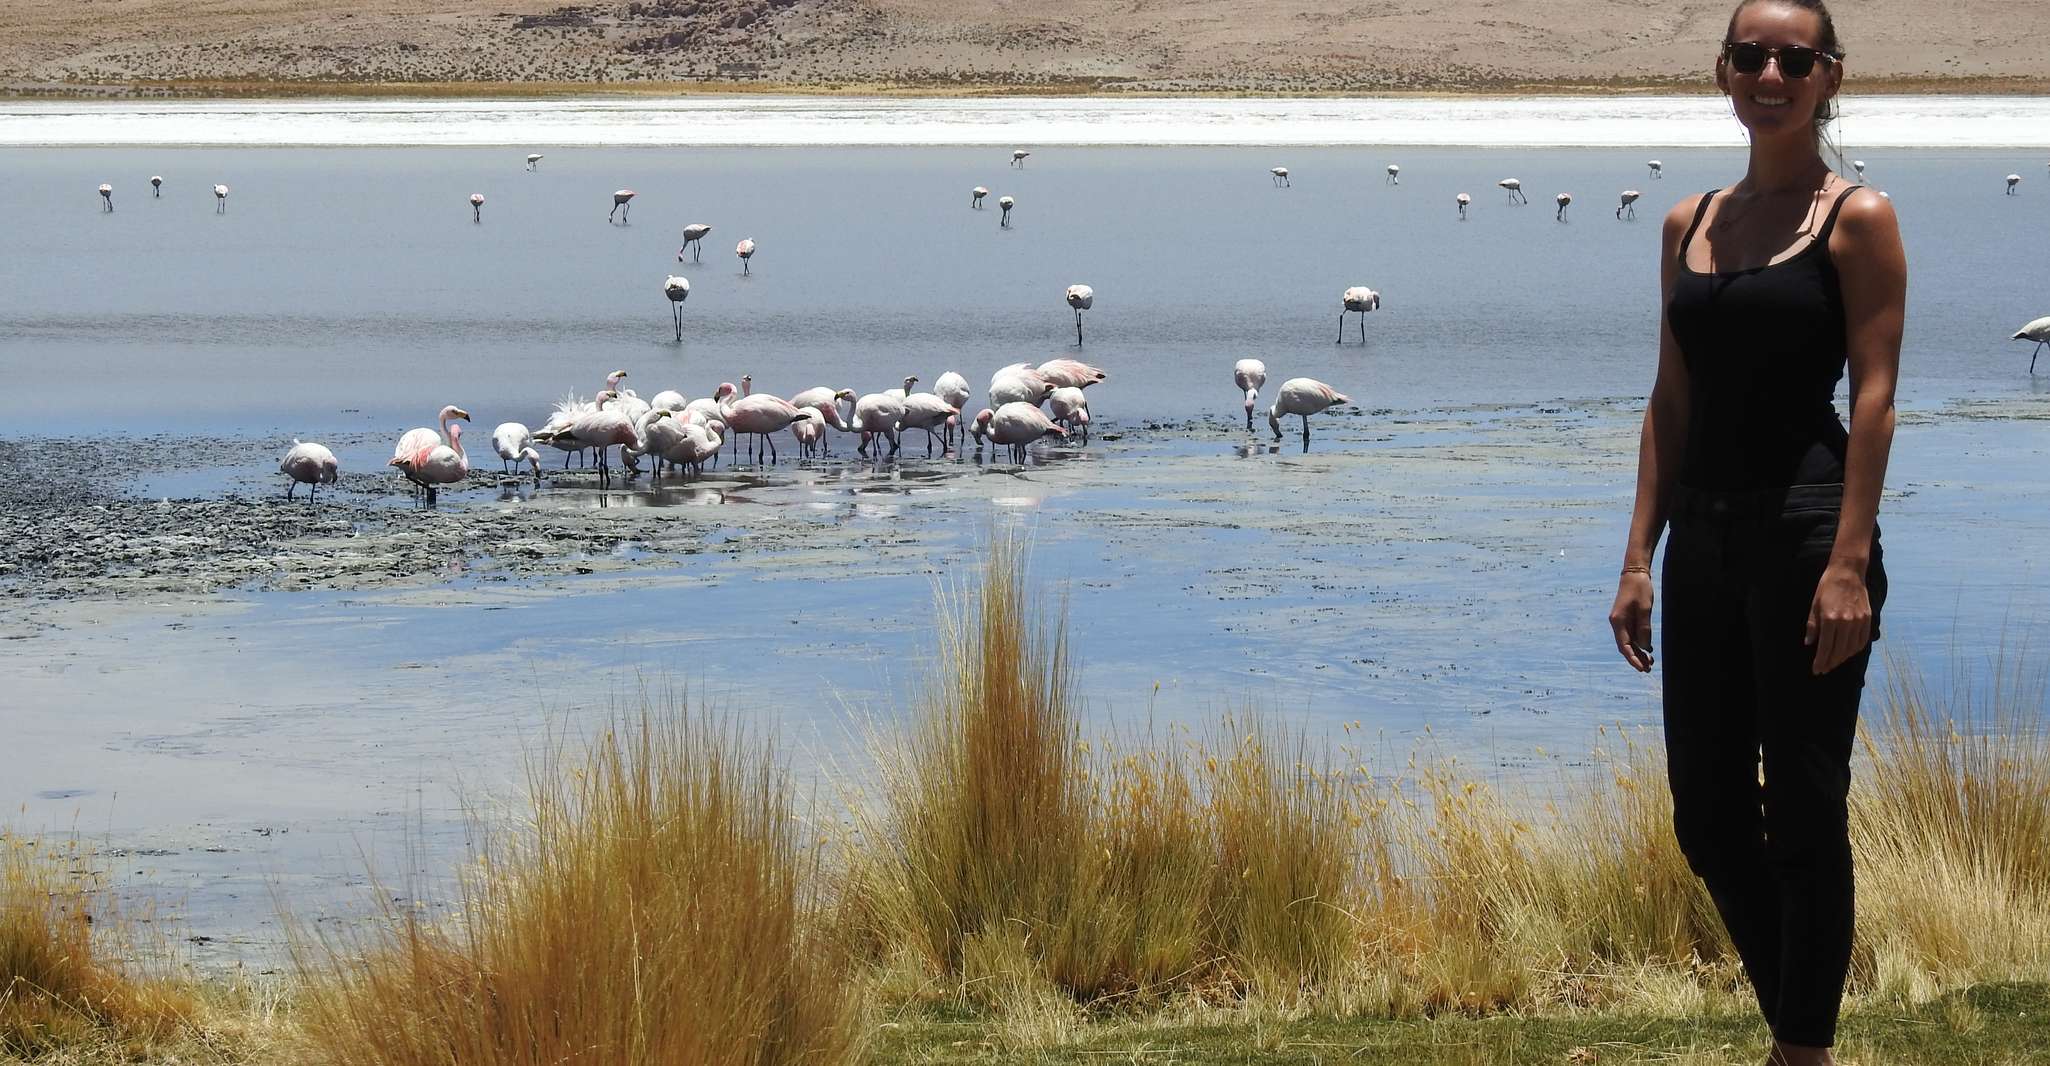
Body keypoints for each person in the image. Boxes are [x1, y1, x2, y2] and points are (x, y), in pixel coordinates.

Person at [1606, 2, 1906, 1064]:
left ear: (1828, 75)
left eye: (1792, 58)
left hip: (1809, 532)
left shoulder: (1855, 215)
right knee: (1709, 815)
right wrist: (1639, 556)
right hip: (1705, 542)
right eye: (1749, 56)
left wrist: (1845, 567)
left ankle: (1800, 1047)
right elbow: (1668, 400)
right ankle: (1800, 1028)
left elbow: (1872, 399)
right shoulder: (1686, 219)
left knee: (1806, 807)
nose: (1769, 74)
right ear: (1723, 72)